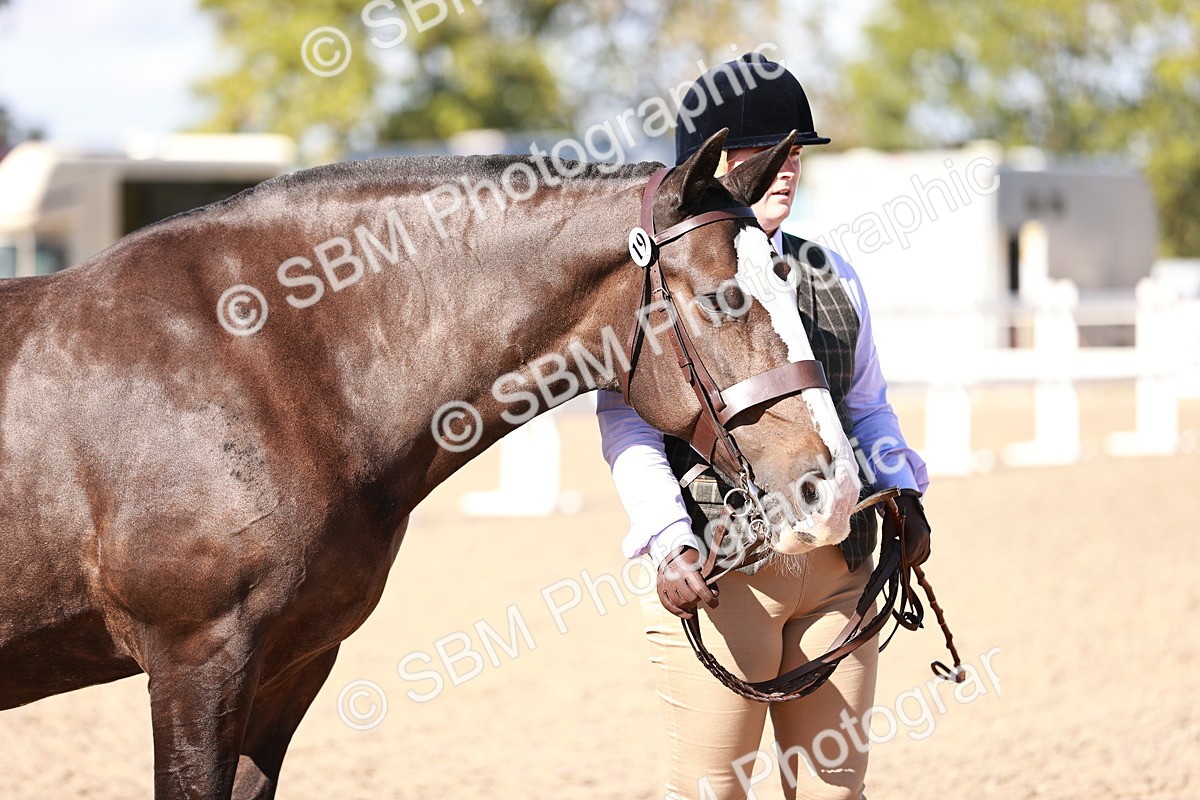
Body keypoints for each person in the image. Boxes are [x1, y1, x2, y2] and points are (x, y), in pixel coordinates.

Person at [596, 53, 932, 800]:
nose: (785, 170)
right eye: (762, 155)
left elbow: (866, 404)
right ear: (710, 168)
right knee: (714, 790)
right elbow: (628, 427)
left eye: (794, 154)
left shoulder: (833, 273)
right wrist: (666, 538)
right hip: (723, 573)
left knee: (833, 789)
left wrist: (903, 489)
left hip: (841, 568)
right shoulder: (654, 289)